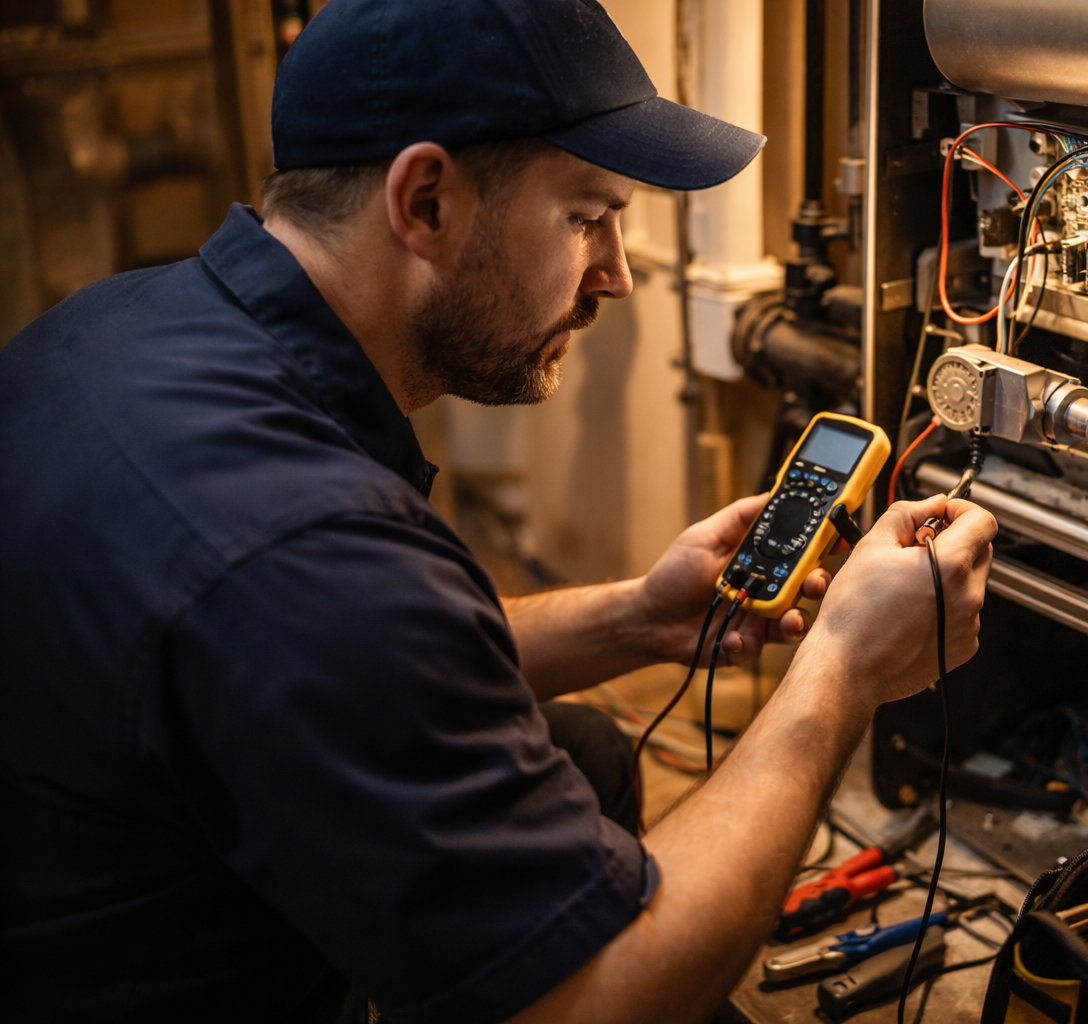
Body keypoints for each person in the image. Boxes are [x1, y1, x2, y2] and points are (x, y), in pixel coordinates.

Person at [0, 1, 996, 1021]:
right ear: (425, 200)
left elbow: (359, 665)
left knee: (593, 753)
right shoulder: (300, 545)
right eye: (586, 216)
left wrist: (636, 620)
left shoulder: (108, 327)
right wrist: (841, 669)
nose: (614, 274)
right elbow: (594, 1004)